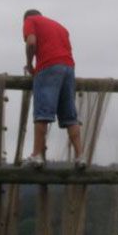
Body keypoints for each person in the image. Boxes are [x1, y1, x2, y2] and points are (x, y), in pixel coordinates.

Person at [21, 10, 85, 169]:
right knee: (70, 115)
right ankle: (80, 157)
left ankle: (37, 155)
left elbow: (31, 42)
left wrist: (30, 65)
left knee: (42, 113)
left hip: (49, 66)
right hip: (69, 68)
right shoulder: (61, 27)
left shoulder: (30, 20)